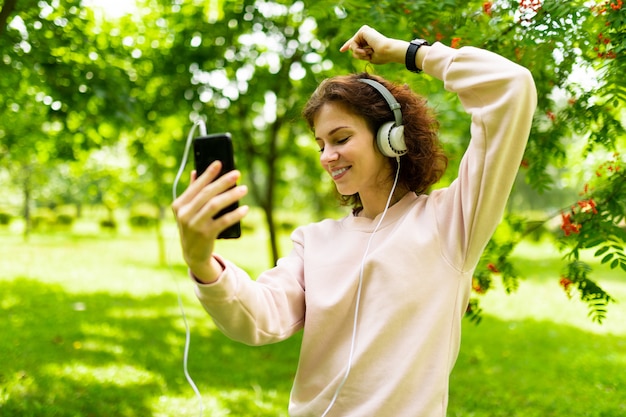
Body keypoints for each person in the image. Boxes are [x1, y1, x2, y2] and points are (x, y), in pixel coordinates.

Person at [172, 25, 536, 417]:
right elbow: (259, 318)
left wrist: (405, 52)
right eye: (321, 144)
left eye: (341, 138)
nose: (327, 155)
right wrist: (201, 261)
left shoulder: (452, 222)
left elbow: (511, 86)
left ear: (391, 138)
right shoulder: (314, 241)